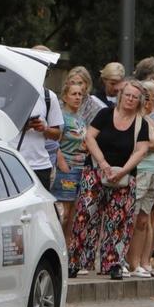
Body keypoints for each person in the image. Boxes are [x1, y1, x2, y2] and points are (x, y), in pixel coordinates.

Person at [69, 80, 150, 280]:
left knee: (119, 221)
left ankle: (113, 263)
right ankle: (76, 261)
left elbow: (141, 151)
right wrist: (103, 164)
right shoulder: (105, 114)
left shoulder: (142, 123)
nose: (130, 99)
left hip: (123, 176)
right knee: (85, 217)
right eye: (128, 95)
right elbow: (90, 137)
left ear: (139, 101)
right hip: (96, 171)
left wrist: (123, 171)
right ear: (121, 96)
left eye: (135, 97)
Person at [125, 80, 154, 277]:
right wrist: (149, 144)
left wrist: (148, 145)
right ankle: (131, 263)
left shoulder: (149, 119)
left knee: (144, 218)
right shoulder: (130, 118)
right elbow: (149, 141)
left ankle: (141, 262)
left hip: (152, 169)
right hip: (138, 170)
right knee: (132, 218)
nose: (144, 102)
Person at [52, 81, 86, 248]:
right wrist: (61, 163)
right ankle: (58, 247)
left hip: (81, 168)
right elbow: (54, 143)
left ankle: (68, 249)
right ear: (65, 97)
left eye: (80, 94)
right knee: (63, 213)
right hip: (66, 169)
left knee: (73, 214)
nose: (77, 97)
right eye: (74, 94)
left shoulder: (80, 118)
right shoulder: (62, 118)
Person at [10, 87, 63, 190]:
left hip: (40, 166)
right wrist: (22, 125)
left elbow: (57, 135)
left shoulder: (49, 96)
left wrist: (44, 128)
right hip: (10, 163)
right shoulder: (9, 90)